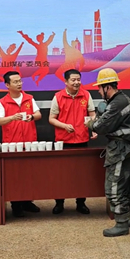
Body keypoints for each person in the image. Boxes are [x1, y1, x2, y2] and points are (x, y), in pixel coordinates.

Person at [84, 68, 130, 237]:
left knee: (114, 187)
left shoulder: (117, 103)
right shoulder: (122, 99)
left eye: (99, 87)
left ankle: (121, 223)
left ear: (107, 87)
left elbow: (100, 127)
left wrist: (90, 123)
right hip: (127, 148)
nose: (98, 91)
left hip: (120, 150)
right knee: (129, 185)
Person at [0, 71, 42, 217]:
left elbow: (38, 114)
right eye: (15, 82)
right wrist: (12, 118)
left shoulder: (29, 98)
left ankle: (27, 201)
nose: (19, 84)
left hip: (29, 143)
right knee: (14, 177)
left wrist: (31, 117)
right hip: (12, 144)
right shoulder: (3, 102)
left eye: (20, 81)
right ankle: (16, 205)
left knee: (29, 175)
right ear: (7, 85)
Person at [48, 69, 96, 214]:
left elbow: (92, 114)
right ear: (66, 82)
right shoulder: (58, 97)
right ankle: (59, 203)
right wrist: (64, 126)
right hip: (63, 141)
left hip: (82, 140)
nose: (76, 82)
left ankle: (81, 203)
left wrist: (93, 127)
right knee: (61, 174)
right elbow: (51, 119)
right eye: (73, 80)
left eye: (78, 79)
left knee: (81, 174)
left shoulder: (86, 95)